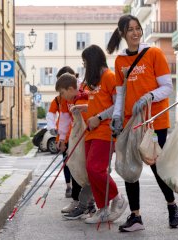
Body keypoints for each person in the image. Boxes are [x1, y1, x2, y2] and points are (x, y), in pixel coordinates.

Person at [107, 14, 178, 232]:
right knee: (129, 167)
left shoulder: (154, 53)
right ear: (122, 33)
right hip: (132, 123)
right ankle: (136, 217)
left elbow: (167, 87)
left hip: (155, 121)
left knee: (157, 167)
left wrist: (149, 96)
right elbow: (121, 94)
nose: (135, 32)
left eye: (137, 28)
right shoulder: (120, 60)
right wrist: (117, 116)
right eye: (130, 29)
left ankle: (172, 206)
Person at [76, 44, 128, 224]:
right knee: (91, 171)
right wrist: (84, 108)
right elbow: (99, 102)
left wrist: (98, 117)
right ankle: (103, 209)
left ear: (92, 61)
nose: (84, 66)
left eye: (85, 62)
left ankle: (117, 198)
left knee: (95, 168)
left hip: (105, 130)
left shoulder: (109, 77)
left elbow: (118, 105)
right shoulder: (95, 81)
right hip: (91, 131)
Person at [49, 66, 83, 212]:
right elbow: (62, 119)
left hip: (81, 135)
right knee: (71, 166)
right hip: (70, 137)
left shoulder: (82, 91)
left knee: (82, 169)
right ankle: (76, 199)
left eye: (62, 91)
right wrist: (62, 139)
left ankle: (85, 202)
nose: (61, 94)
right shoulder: (61, 100)